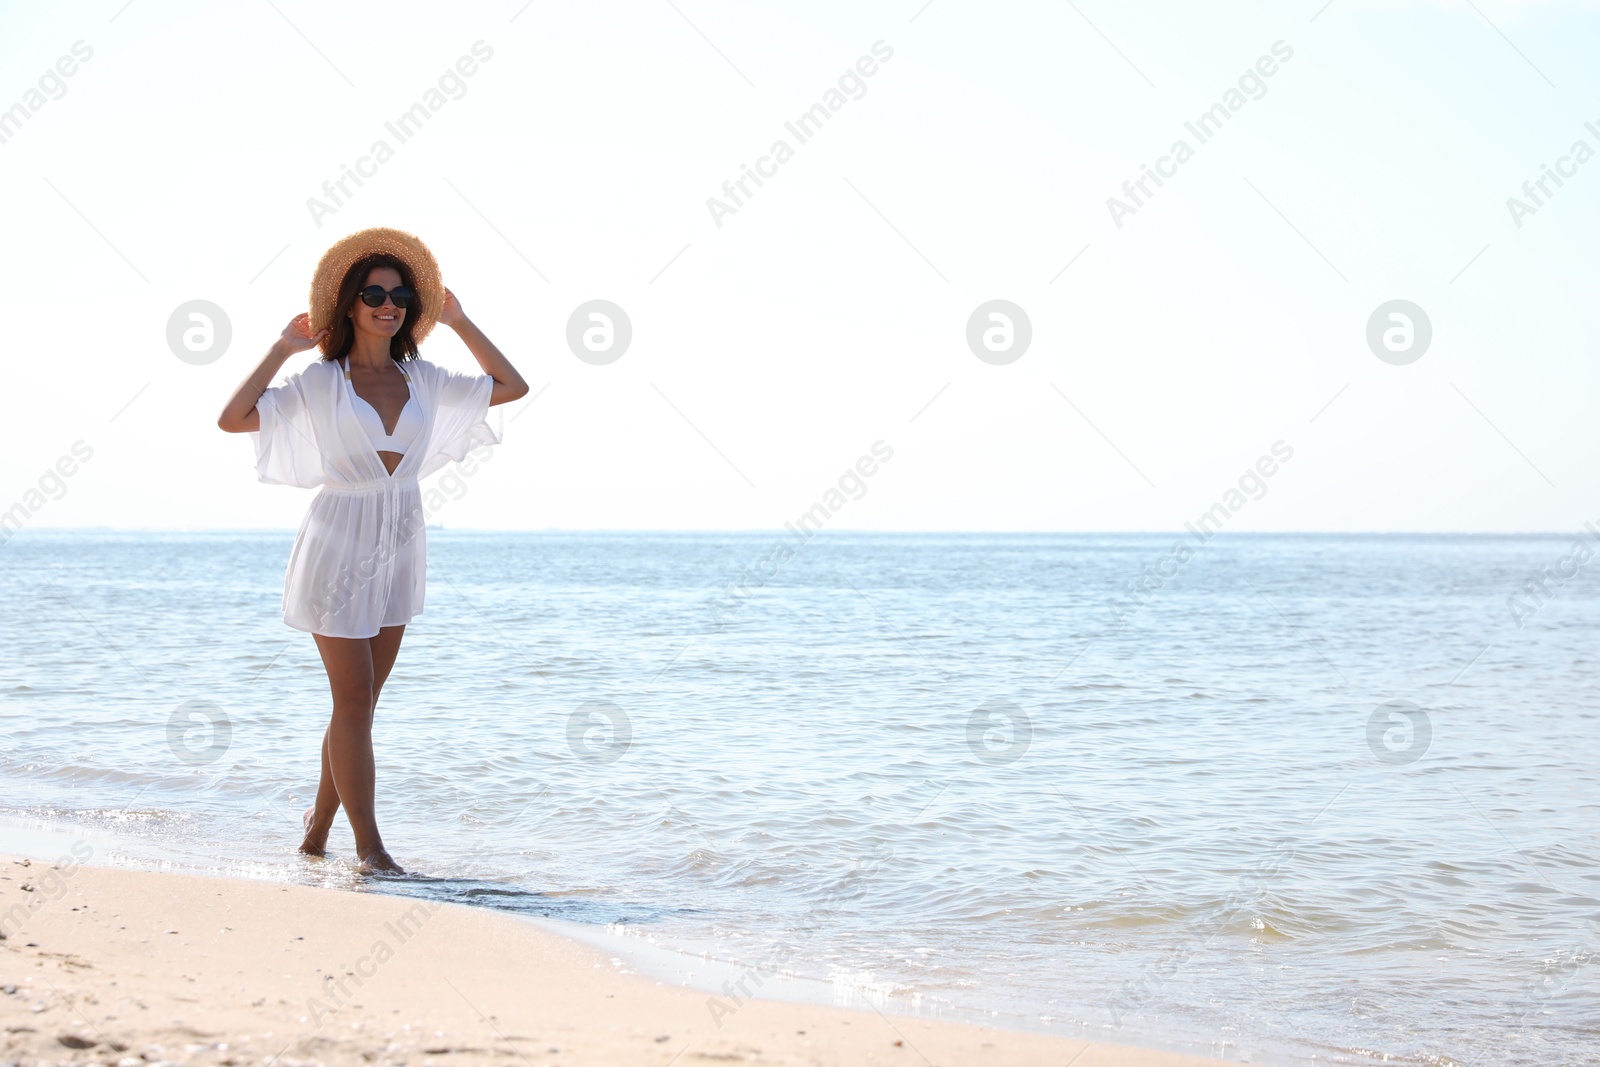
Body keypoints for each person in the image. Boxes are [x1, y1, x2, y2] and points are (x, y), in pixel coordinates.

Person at [217, 227, 528, 873]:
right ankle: (371, 848)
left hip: (400, 538)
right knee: (354, 699)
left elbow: (512, 385)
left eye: (400, 293)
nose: (389, 302)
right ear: (349, 305)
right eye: (374, 292)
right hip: (337, 539)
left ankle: (316, 831)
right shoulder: (319, 381)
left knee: (357, 704)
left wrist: (462, 321)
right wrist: (280, 348)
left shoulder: (426, 378)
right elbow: (234, 417)